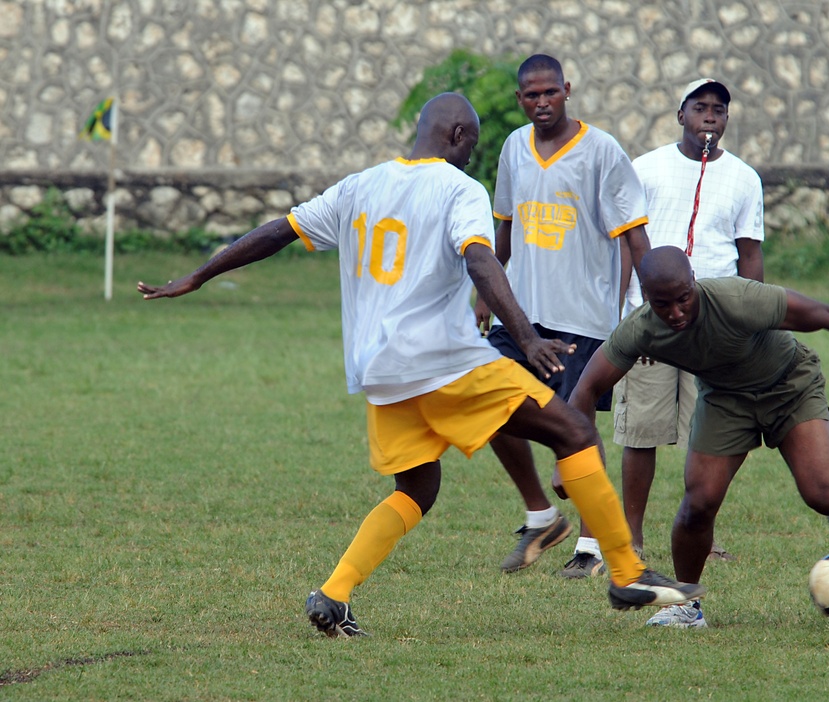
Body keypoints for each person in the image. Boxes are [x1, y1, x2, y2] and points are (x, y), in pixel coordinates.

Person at [137, 93, 702, 637]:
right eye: (472, 145)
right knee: (575, 431)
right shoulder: (459, 188)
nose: (471, 156)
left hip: (380, 371)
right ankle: (626, 574)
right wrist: (527, 339)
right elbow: (481, 259)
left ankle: (333, 594)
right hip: (443, 359)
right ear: (457, 136)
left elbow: (276, 233)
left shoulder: (359, 186)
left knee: (418, 487)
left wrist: (200, 274)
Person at [568, 245, 829, 628]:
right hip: (726, 400)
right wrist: (571, 461)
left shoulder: (737, 299)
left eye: (683, 299)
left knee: (822, 492)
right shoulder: (640, 329)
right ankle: (686, 605)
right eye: (663, 304)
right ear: (646, 296)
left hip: (789, 385)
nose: (676, 313)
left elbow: (825, 314)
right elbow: (585, 390)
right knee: (698, 503)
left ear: (694, 282)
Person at [474, 54, 652, 578]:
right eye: (531, 95)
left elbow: (634, 236)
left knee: (578, 428)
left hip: (585, 319)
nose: (542, 102)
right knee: (483, 399)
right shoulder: (513, 149)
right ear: (520, 100)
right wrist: (486, 291)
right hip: (521, 319)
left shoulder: (601, 151)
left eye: (550, 92)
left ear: (567, 90)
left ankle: (593, 547)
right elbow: (503, 229)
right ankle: (541, 515)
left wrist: (647, 311)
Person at [605, 78, 765, 574]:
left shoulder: (743, 178)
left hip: (714, 325)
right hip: (651, 319)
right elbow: (626, 248)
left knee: (713, 433)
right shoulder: (646, 169)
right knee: (641, 431)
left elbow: (750, 257)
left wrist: (752, 322)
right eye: (700, 108)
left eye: (719, 109)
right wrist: (625, 313)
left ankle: (703, 534)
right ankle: (632, 537)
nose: (709, 117)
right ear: (681, 116)